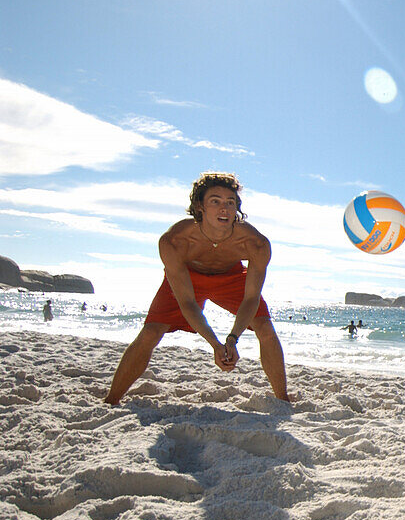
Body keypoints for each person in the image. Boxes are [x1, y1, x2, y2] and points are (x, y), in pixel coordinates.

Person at [105, 172, 289, 404]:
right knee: (151, 331)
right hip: (188, 275)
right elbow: (187, 303)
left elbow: (251, 299)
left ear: (236, 209)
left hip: (231, 276)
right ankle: (112, 399)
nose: (224, 208)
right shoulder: (174, 241)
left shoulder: (255, 243)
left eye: (230, 203)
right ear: (200, 206)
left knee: (265, 327)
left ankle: (283, 399)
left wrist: (232, 340)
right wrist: (215, 344)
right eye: (215, 201)